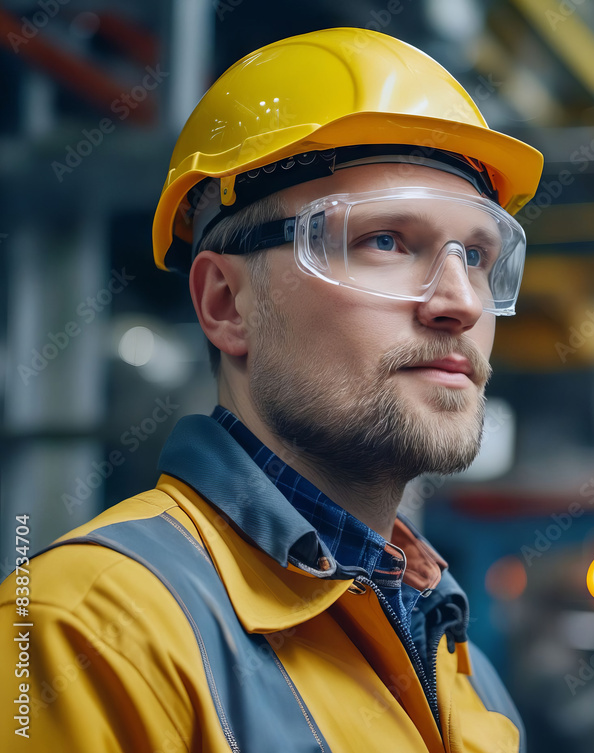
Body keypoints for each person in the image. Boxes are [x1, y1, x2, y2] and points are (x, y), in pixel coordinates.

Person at [1, 27, 542, 752]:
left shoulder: (457, 662)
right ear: (227, 303)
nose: (460, 302)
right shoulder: (84, 635)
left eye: (477, 255)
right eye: (384, 240)